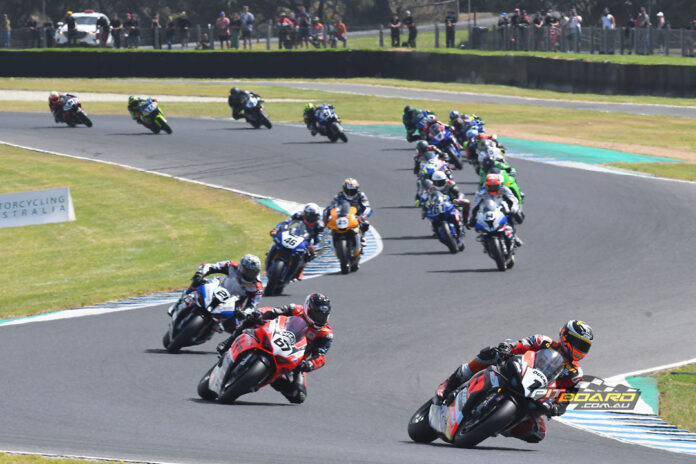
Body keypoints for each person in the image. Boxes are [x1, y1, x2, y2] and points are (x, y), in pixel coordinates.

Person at [434, 320, 594, 443]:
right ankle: (451, 383)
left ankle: (496, 424)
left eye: (584, 346)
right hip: (517, 371)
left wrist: (558, 407)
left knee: (537, 432)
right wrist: (508, 347)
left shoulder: (575, 373)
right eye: (578, 343)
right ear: (565, 336)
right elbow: (521, 344)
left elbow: (567, 396)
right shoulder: (543, 341)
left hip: (535, 394)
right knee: (489, 354)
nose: (580, 349)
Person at [218, 293, 333, 404]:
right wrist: (259, 313)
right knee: (250, 319)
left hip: (296, 360)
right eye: (317, 314)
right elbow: (273, 311)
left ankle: (274, 379)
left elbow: (321, 356)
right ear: (308, 308)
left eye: (323, 315)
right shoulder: (295, 309)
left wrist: (310, 364)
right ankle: (228, 343)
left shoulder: (325, 334)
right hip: (275, 336)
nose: (320, 318)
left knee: (298, 396)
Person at [170, 254, 264, 334]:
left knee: (237, 329)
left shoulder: (257, 287)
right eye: (246, 271)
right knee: (197, 283)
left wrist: (244, 313)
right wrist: (200, 274)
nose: (248, 275)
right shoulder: (231, 266)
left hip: (233, 304)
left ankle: (225, 348)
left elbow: (252, 306)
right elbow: (211, 266)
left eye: (252, 273)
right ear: (241, 267)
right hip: (217, 286)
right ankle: (178, 303)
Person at [268, 203, 324, 281]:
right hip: (294, 233)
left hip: (306, 240)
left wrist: (314, 247)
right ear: (305, 213)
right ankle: (270, 255)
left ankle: (300, 268)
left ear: (317, 217)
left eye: (313, 216)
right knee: (276, 240)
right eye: (309, 215)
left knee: (309, 254)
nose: (311, 218)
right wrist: (277, 229)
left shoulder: (319, 225)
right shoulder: (298, 215)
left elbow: (319, 240)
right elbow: (285, 222)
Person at [468, 173, 523, 246]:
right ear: (486, 185)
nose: (492, 188)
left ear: (499, 184)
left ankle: (514, 235)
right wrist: (472, 217)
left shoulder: (503, 189)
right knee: (477, 221)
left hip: (500, 205)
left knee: (511, 214)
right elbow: (474, 206)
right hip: (487, 208)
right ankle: (485, 237)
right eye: (490, 186)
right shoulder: (480, 192)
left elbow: (513, 199)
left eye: (495, 186)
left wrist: (514, 208)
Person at [324, 178, 372, 244]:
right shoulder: (339, 196)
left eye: (352, 191)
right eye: (348, 190)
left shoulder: (361, 195)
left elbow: (367, 207)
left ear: (357, 190)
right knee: (329, 225)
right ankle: (331, 239)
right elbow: (329, 207)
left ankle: (362, 236)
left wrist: (363, 215)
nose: (350, 193)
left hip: (357, 215)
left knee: (365, 224)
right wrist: (326, 217)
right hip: (342, 215)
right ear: (344, 189)